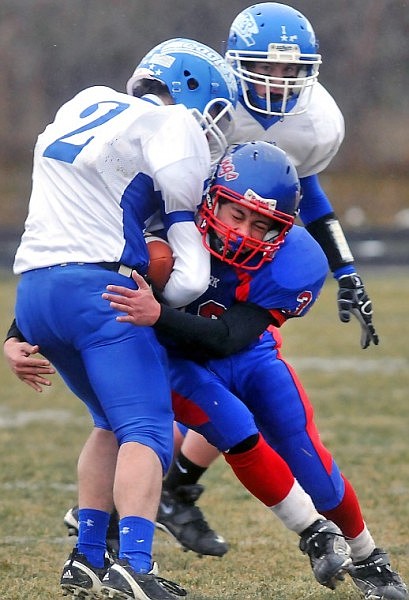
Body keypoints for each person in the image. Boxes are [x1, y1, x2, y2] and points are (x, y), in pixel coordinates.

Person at [102, 141, 407, 600]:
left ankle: (368, 557)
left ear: (281, 232)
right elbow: (75, 275)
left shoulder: (293, 262)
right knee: (229, 425)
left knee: (311, 459)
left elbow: (230, 336)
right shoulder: (161, 223)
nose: (244, 232)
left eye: (262, 225)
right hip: (173, 358)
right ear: (210, 200)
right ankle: (312, 534)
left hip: (246, 352)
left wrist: (158, 313)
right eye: (236, 214)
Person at [6, 37, 238, 600]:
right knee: (147, 432)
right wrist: (160, 293)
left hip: (34, 295)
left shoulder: (84, 103)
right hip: (100, 293)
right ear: (193, 95)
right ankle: (134, 564)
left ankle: (86, 558)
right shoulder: (176, 124)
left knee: (108, 424)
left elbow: (62, 226)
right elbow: (186, 276)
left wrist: (15, 332)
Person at [158, 0, 381, 561]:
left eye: (291, 70)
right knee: (138, 398)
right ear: (235, 63)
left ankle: (171, 491)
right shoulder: (205, 97)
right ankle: (118, 509)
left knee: (240, 375)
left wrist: (345, 267)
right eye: (267, 66)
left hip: (240, 262)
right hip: (184, 236)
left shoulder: (313, 122)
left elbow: (305, 191)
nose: (279, 81)